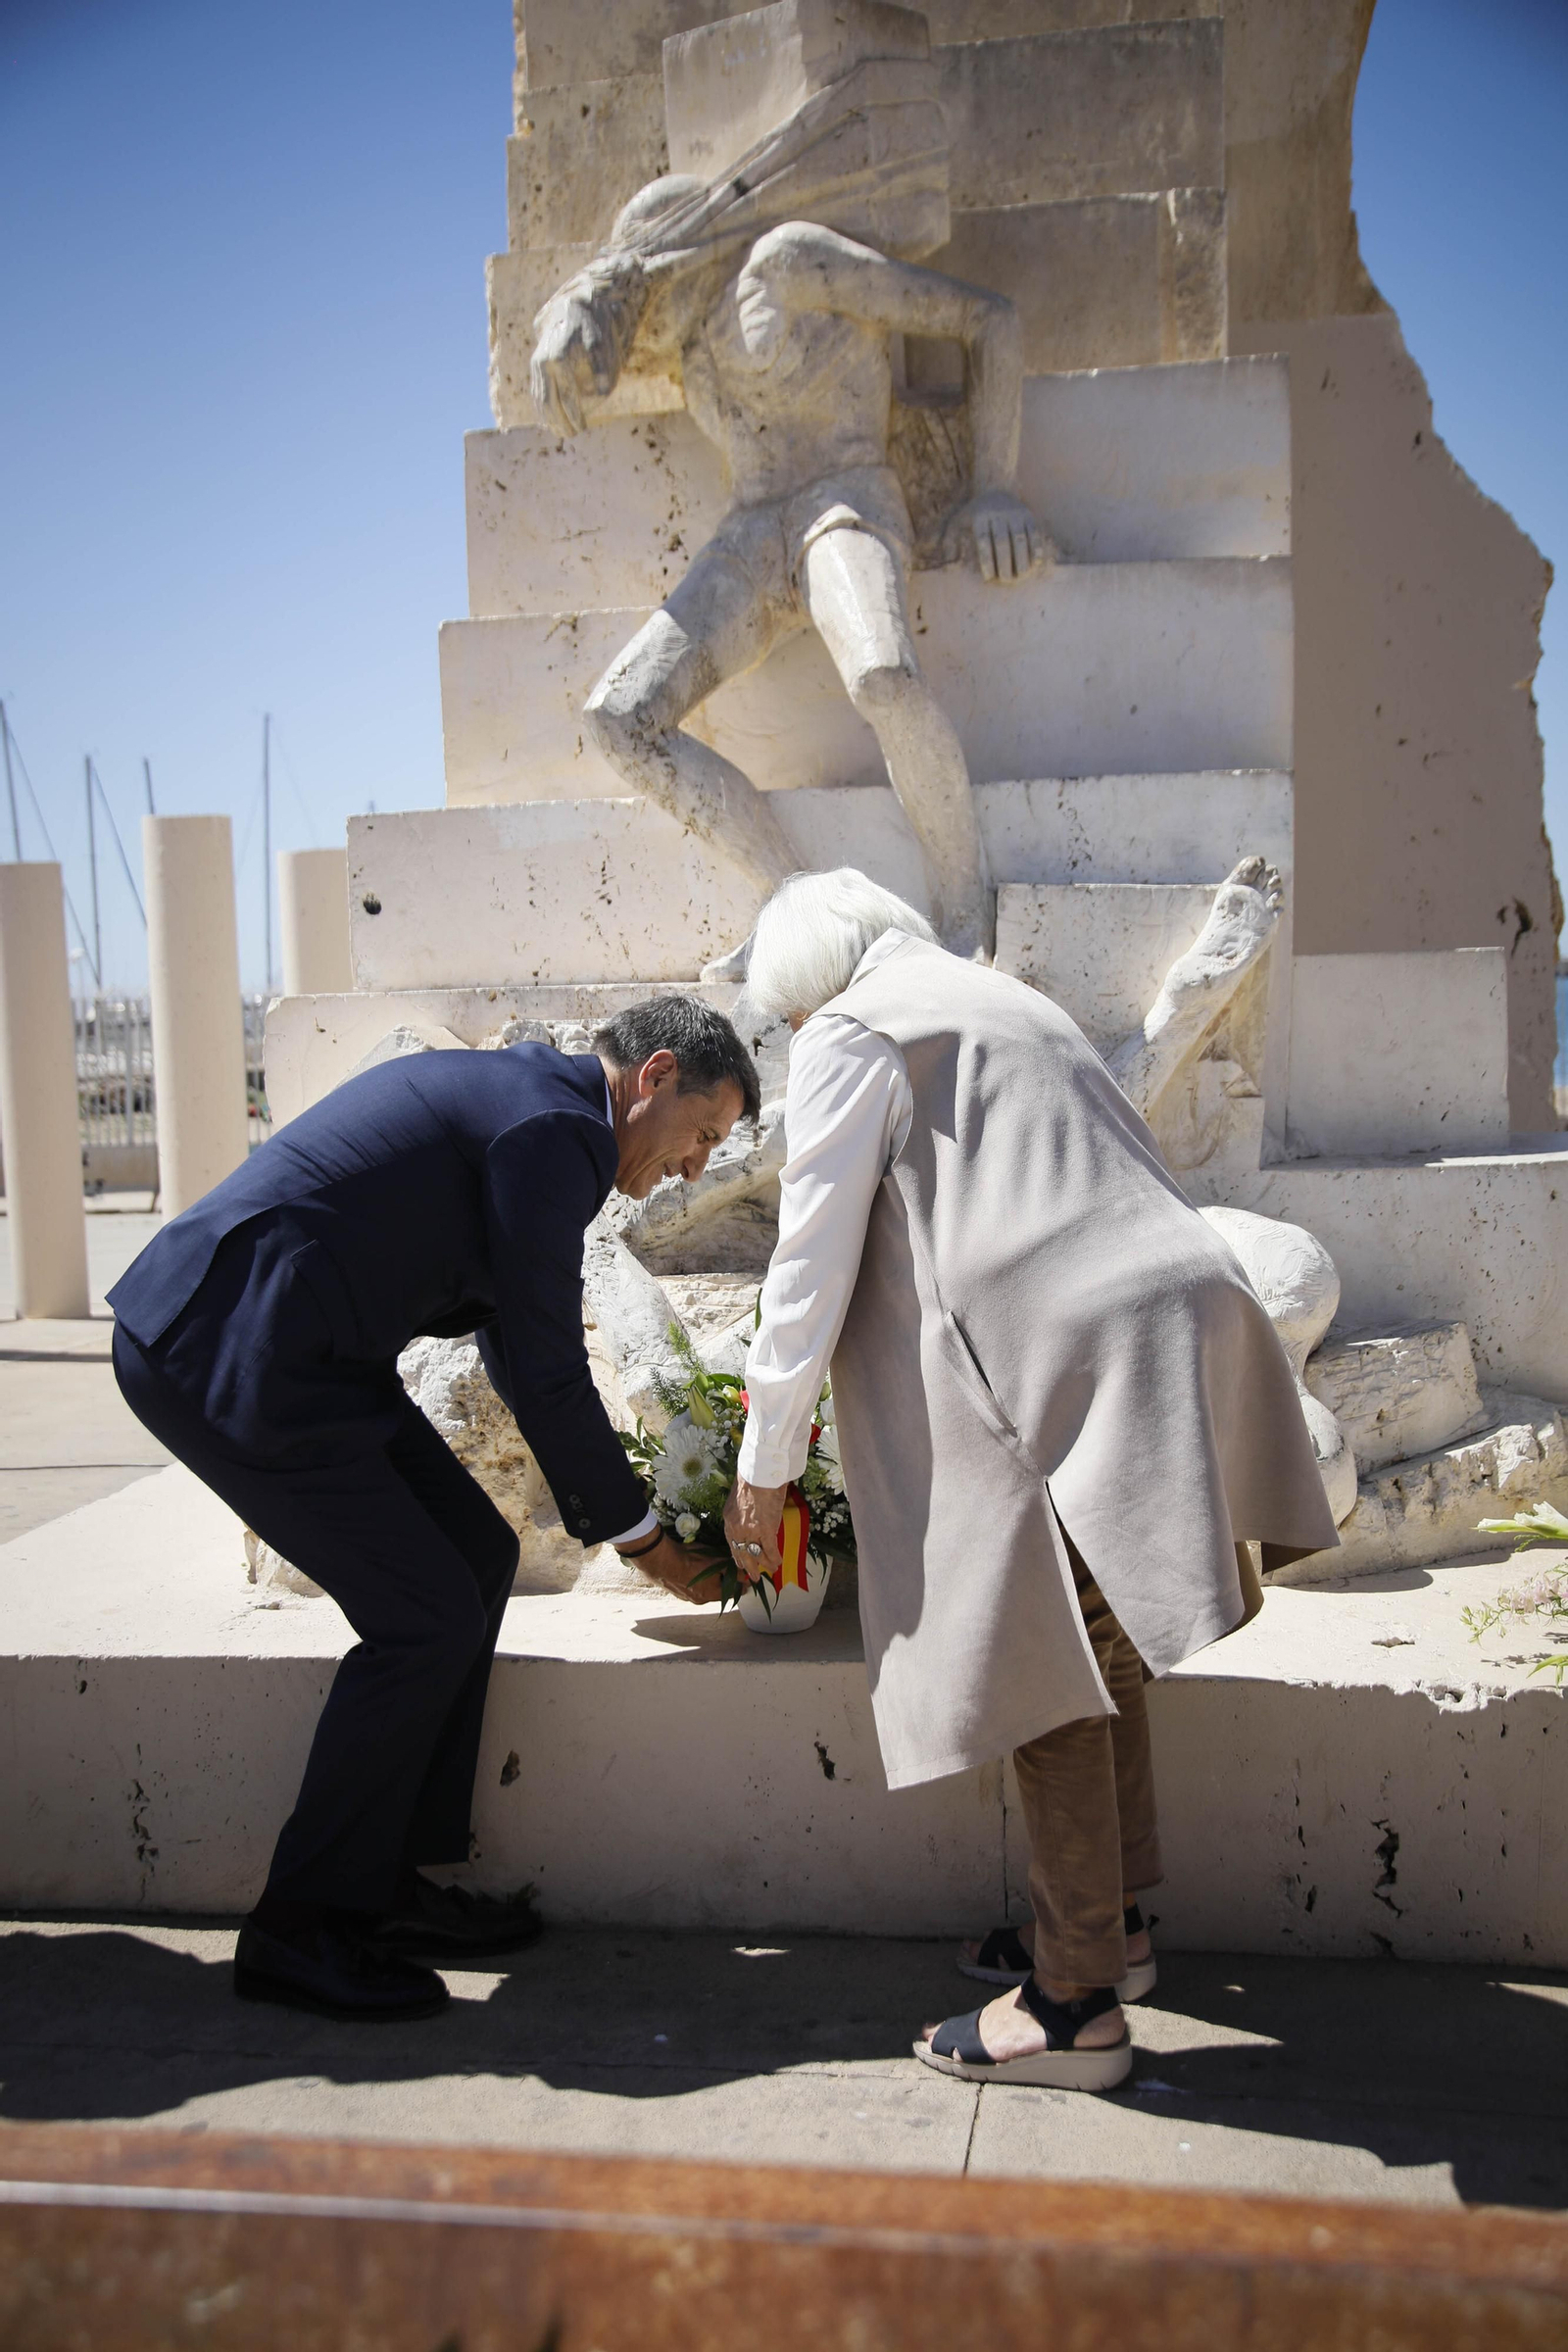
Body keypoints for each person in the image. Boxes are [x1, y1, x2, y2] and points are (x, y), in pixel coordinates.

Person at [722, 871, 1338, 2090]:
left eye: (785, 1017)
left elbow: (810, 1255)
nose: (796, 1038)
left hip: (1054, 1346)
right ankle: (1115, 1928)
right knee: (1097, 1638)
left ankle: (1070, 2005)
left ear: (810, 986)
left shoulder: (856, 1029)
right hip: (1177, 1309)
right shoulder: (1003, 998)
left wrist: (763, 1463)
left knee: (1040, 1660)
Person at [110, 1000, 758, 2024]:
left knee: (472, 1554)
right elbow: (545, 1368)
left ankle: (384, 1886)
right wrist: (643, 1541)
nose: (692, 1167)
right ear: (655, 1075)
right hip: (228, 1349)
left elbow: (511, 1328)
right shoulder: (558, 1131)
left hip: (300, 1353)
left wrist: (618, 1512)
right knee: (424, 1616)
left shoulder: (543, 1112)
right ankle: (301, 1925)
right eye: (703, 1136)